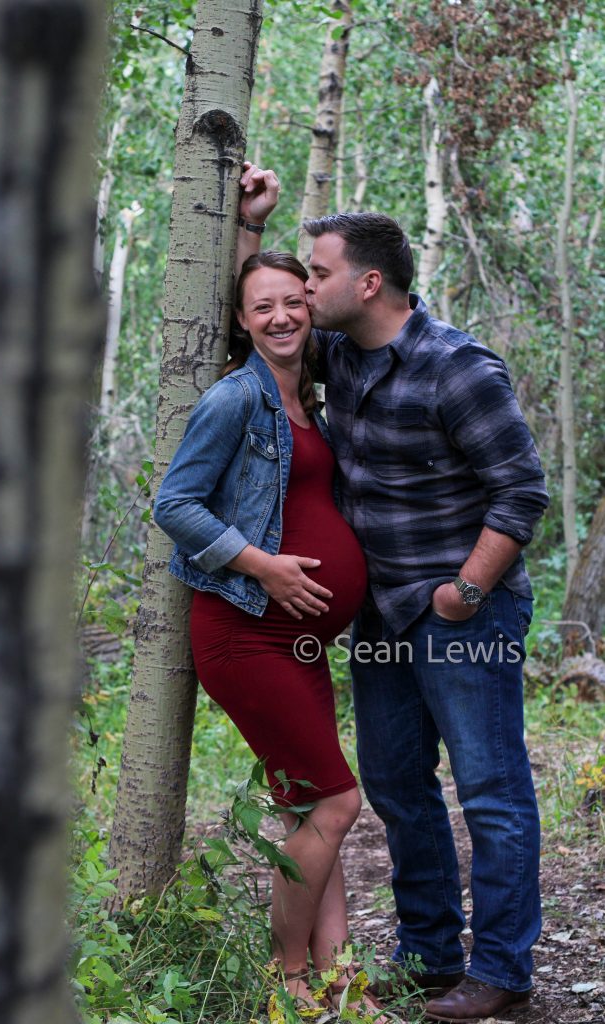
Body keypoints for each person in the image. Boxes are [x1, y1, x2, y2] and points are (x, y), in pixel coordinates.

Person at [237, 163, 550, 1022]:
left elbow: (520, 492)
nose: (304, 291)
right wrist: (250, 227)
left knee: (489, 789)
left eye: (321, 274)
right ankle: (427, 953)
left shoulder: (458, 369)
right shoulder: (340, 353)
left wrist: (464, 591)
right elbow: (257, 320)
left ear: (368, 281)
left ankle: (502, 971)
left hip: (460, 613)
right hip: (379, 616)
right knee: (397, 787)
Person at [153, 237, 390, 1019]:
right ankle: (288, 981)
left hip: (296, 642)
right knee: (335, 805)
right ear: (240, 321)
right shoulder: (235, 399)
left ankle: (339, 979)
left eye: (296, 299)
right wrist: (263, 564)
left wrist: (252, 227)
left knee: (309, 804)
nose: (283, 315)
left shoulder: (306, 387)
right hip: (244, 632)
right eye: (263, 306)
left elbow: (302, 300)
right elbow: (174, 506)